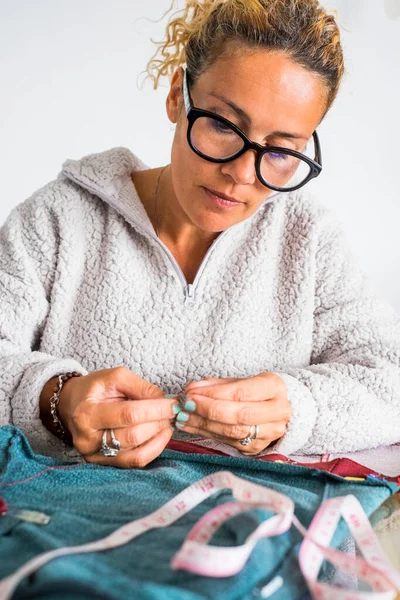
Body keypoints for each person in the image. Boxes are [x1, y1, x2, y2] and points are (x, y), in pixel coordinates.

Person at [1, 0, 399, 469]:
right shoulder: (58, 220)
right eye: (222, 125)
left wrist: (298, 408)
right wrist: (56, 401)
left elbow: (388, 381)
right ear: (177, 96)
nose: (241, 173)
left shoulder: (309, 239)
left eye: (281, 151)